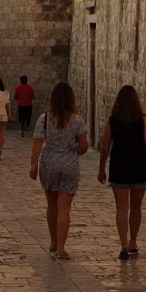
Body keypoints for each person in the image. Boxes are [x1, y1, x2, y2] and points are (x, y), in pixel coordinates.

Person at [97, 85, 146, 259]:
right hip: (138, 166)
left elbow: (104, 148)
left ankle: (123, 244)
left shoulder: (112, 121)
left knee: (121, 207)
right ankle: (133, 241)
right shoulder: (143, 120)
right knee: (136, 207)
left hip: (118, 166)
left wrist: (101, 168)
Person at [30, 82, 88, 260]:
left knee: (52, 205)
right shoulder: (77, 120)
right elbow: (84, 146)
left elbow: (38, 142)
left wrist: (33, 163)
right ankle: (62, 248)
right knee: (65, 208)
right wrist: (72, 151)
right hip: (69, 164)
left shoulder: (44, 119)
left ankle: (54, 242)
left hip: (49, 164)